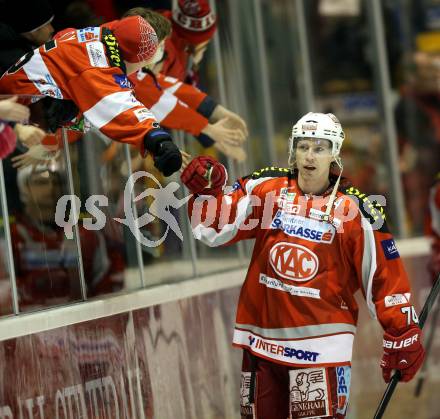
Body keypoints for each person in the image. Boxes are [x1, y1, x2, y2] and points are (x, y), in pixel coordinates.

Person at [181, 112, 425, 418]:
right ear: (293, 150)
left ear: (334, 153)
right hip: (262, 347)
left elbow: (383, 275)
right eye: (303, 146)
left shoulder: (355, 209)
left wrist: (401, 331)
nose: (310, 156)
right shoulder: (267, 188)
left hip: (320, 351)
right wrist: (208, 191)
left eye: (320, 148)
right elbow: (214, 228)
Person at [0, 16, 182, 177]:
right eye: (144, 63)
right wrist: (158, 140)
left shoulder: (101, 34)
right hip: (12, 110)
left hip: (21, 106)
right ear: (135, 60)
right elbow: (121, 108)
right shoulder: (94, 69)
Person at [124, 7, 247, 161]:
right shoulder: (135, 69)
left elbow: (169, 86)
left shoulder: (158, 46)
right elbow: (158, 98)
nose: (161, 51)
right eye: (161, 46)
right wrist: (206, 128)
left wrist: (215, 112)